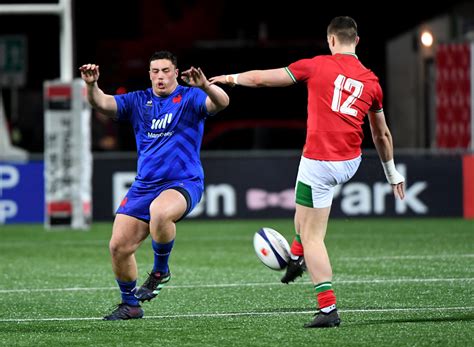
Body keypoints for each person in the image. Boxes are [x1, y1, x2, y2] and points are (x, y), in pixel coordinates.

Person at [210, 16, 405, 328]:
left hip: (321, 161)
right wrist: (392, 173)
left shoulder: (316, 65)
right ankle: (297, 255)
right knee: (302, 214)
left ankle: (328, 308)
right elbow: (381, 135)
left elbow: (262, 79)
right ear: (356, 41)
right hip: (349, 161)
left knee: (314, 234)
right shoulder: (372, 81)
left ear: (330, 40)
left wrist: (230, 78)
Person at [79, 51, 229, 320]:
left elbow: (221, 102)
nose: (160, 76)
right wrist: (91, 85)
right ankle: (130, 305)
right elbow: (102, 104)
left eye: (165, 70)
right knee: (119, 247)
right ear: (149, 74)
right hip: (144, 185)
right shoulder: (138, 100)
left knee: (160, 211)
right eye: (155, 71)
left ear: (175, 72)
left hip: (183, 182)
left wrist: (206, 85)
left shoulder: (190, 97)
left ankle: (160, 271)